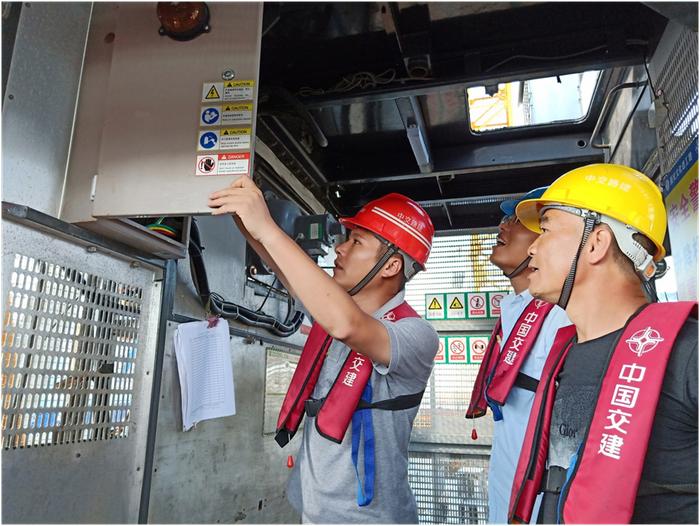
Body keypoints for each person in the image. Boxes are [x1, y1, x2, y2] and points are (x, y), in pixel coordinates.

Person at [208, 177, 439, 523]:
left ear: (391, 266)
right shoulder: (332, 306)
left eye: (356, 241)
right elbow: (293, 277)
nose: (340, 249)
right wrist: (245, 222)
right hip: (314, 511)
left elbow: (346, 325)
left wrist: (268, 228)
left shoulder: (416, 335)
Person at [508, 164, 697, 524]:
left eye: (545, 229)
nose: (531, 247)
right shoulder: (565, 354)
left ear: (596, 243)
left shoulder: (688, 353)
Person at [465, 187, 571, 524]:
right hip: (509, 490)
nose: (503, 226)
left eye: (518, 220)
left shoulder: (563, 316)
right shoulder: (515, 309)